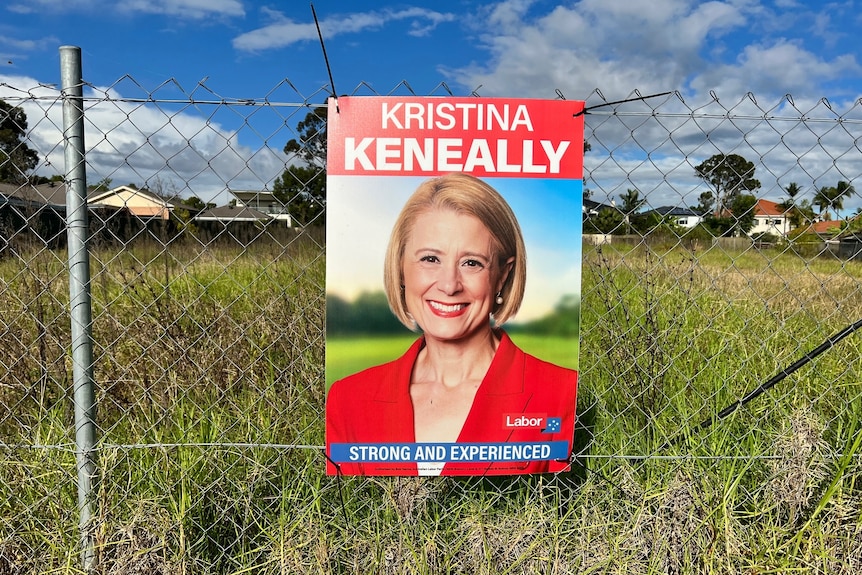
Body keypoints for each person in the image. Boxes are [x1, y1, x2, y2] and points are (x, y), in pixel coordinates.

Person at [326, 173, 578, 476]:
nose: (449, 285)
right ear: (401, 267)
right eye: (430, 259)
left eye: (472, 263)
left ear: (501, 275)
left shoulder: (563, 394)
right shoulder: (348, 400)